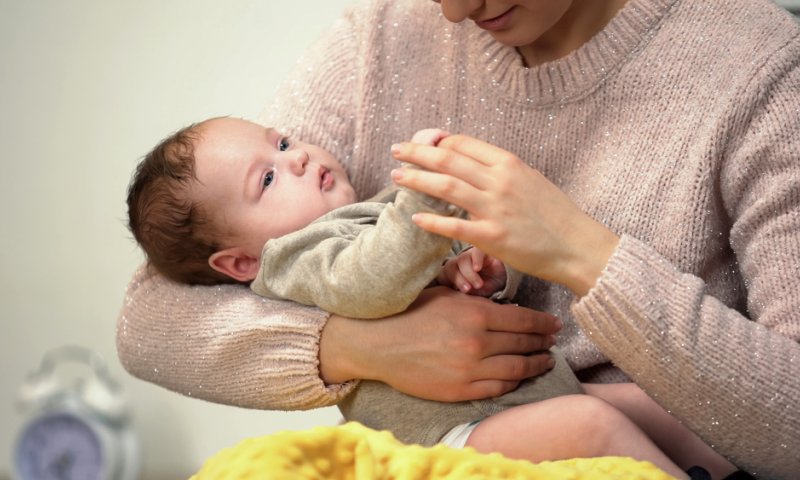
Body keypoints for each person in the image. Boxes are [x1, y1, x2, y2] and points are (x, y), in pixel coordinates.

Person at [116, 0, 800, 478]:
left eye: (284, 144)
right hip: (466, 434)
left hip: (550, 396)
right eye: (270, 172)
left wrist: (572, 255)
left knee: (660, 416)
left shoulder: (758, 68)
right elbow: (150, 321)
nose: (450, 11)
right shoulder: (380, 42)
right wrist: (362, 348)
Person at [127, 116, 736, 478]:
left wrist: (482, 272)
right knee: (591, 426)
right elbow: (369, 282)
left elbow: (430, 269)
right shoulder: (294, 258)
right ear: (240, 261)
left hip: (529, 398)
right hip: (453, 438)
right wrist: (426, 200)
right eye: (266, 178)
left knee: (677, 409)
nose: (297, 158)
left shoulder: (370, 215)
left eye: (282, 144)